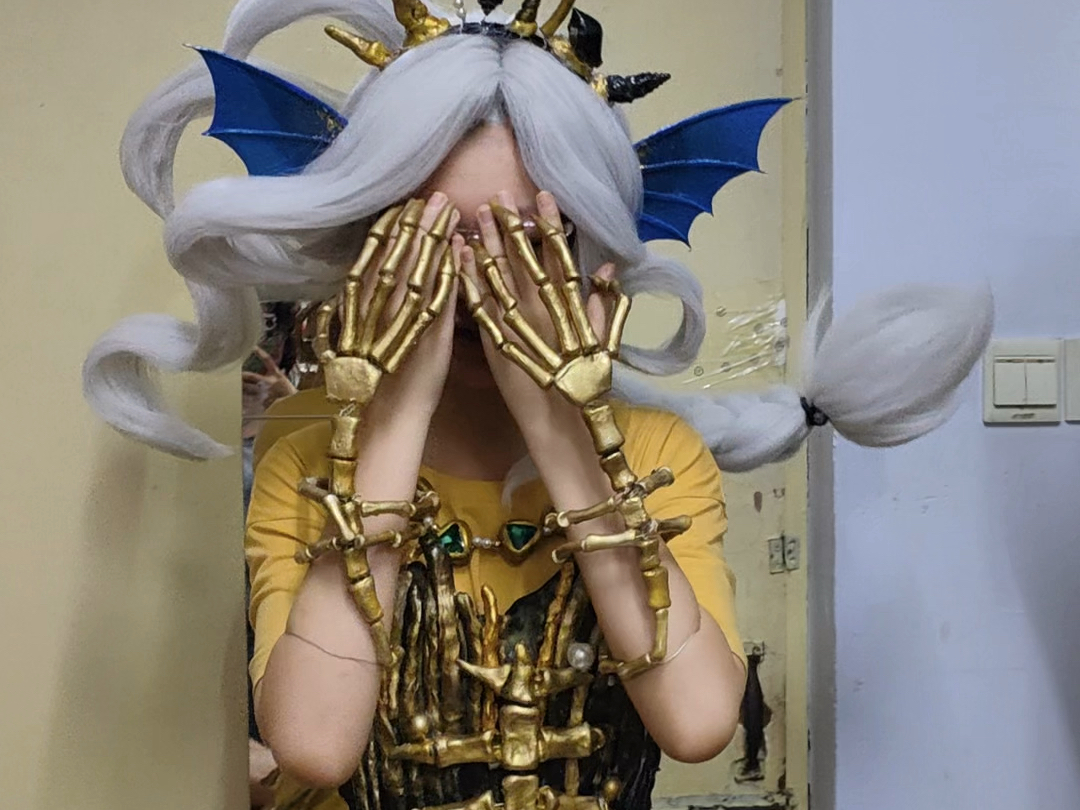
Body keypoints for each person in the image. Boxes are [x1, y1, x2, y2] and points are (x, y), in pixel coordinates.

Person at [82, 2, 994, 809]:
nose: (483, 292)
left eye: (529, 246)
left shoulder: (658, 452)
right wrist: (390, 415)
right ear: (371, 256)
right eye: (434, 244)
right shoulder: (308, 458)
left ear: (596, 260)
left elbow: (698, 722)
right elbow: (317, 745)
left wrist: (566, 422)